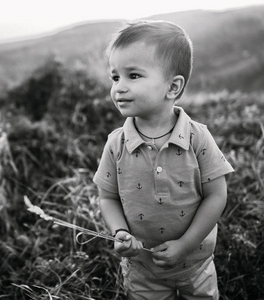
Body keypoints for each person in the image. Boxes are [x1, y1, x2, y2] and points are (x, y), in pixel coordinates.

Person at [93, 20, 234, 300]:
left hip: (196, 263)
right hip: (143, 268)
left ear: (173, 87)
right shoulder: (115, 144)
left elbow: (216, 195)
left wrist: (185, 245)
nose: (119, 87)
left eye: (133, 75)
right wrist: (120, 232)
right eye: (115, 77)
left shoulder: (197, 138)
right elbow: (107, 198)